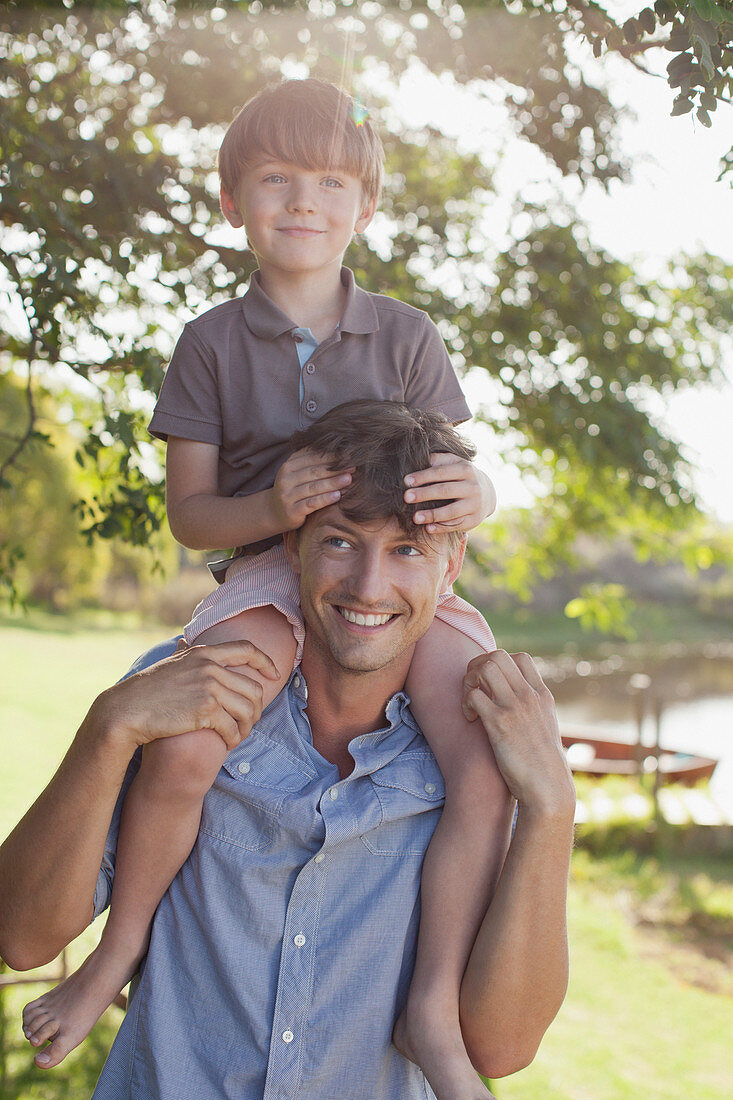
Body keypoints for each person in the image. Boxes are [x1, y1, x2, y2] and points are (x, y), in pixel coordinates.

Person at [16, 78, 503, 1097]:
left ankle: (430, 1000)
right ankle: (123, 944)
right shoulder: (209, 343)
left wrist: (482, 487)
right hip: (270, 573)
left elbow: (451, 474)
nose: (304, 200)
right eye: (275, 178)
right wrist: (273, 504)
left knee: (484, 754)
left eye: (332, 181)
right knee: (190, 742)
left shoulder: (405, 335)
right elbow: (192, 514)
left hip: (395, 563)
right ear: (232, 200)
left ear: (364, 208)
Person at [1, 402, 576, 1100]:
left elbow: (501, 1045)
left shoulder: (480, 753)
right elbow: (21, 938)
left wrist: (551, 807)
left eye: (406, 550)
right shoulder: (187, 694)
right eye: (339, 542)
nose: (369, 587)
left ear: (450, 562)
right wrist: (107, 728)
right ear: (292, 545)